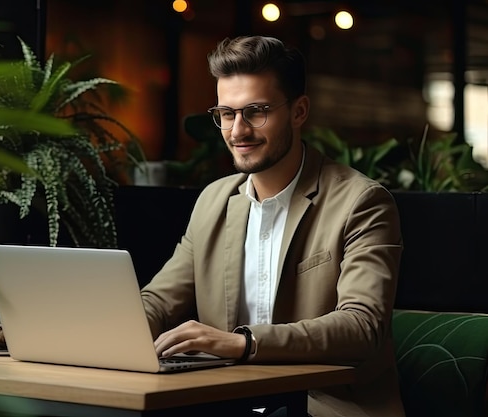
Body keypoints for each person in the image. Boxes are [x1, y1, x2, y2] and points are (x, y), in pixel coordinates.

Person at [140, 35, 406, 417]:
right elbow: (159, 302)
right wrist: (110, 334)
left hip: (324, 406)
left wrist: (243, 343)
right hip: (226, 401)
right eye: (226, 114)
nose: (238, 131)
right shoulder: (214, 201)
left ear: (299, 111)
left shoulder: (361, 202)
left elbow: (362, 326)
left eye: (256, 111)